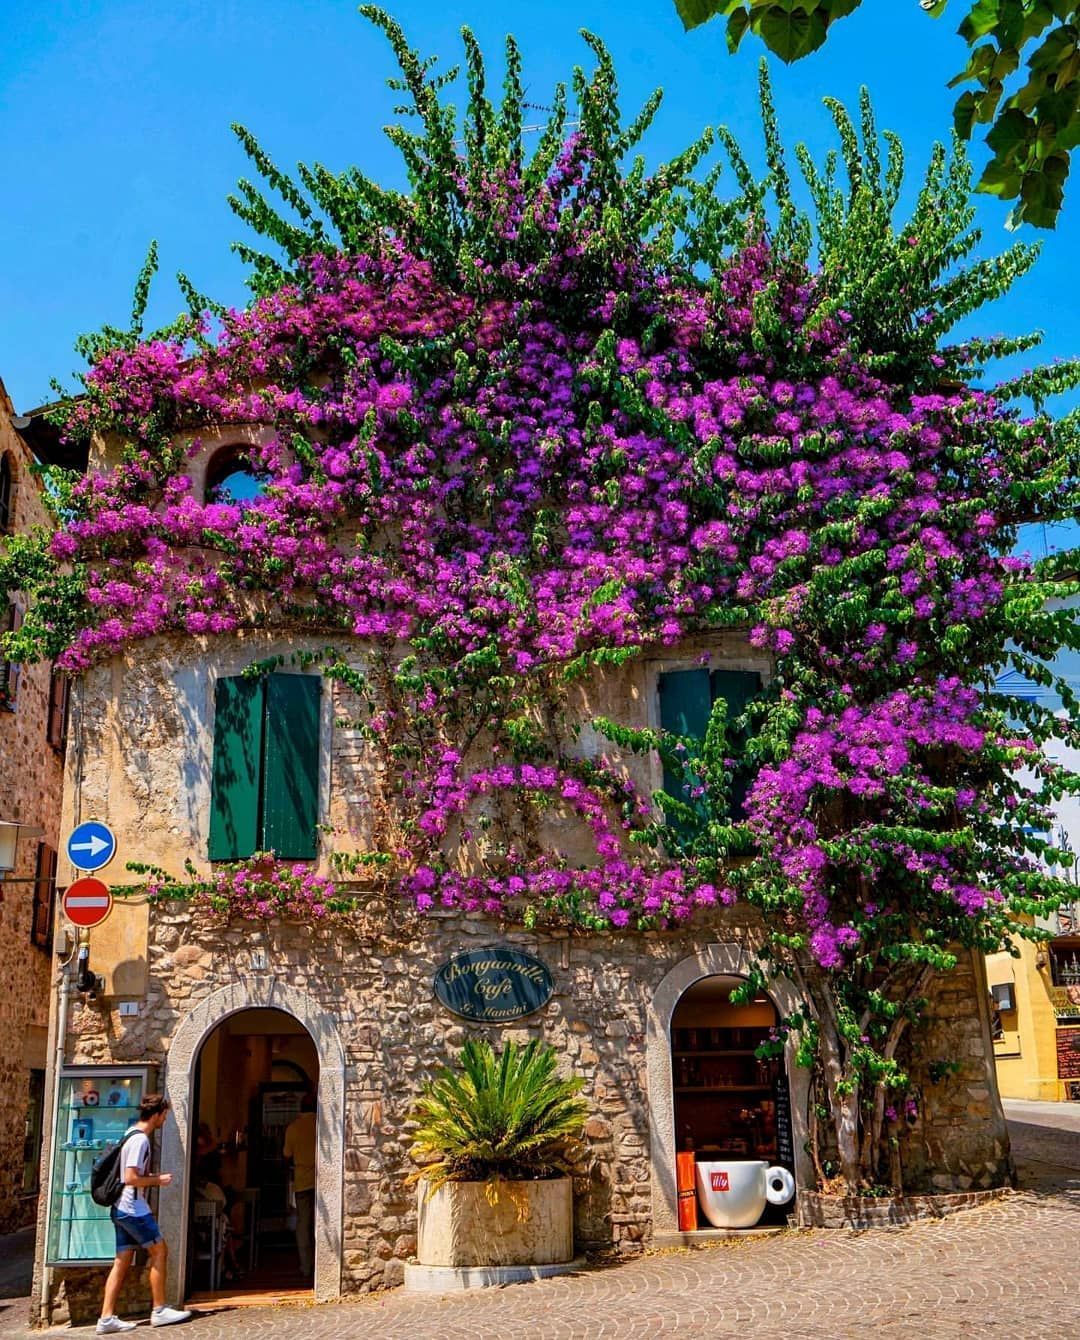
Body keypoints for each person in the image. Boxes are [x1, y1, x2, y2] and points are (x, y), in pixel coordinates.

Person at [96, 1094, 193, 1334]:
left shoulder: (130, 1133)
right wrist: (158, 1180)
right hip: (133, 1209)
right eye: (165, 1115)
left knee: (122, 1261)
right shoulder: (140, 1140)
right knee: (160, 1251)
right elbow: (129, 1178)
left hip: (121, 1208)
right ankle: (159, 1310)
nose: (165, 1119)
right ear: (157, 1114)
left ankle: (106, 1318)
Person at [282, 1092, 317, 1279]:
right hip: (320, 1182)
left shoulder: (293, 1128)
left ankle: (306, 1266)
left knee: (303, 1224)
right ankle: (320, 1265)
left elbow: (286, 1155)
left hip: (302, 1181)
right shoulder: (321, 1125)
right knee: (319, 1224)